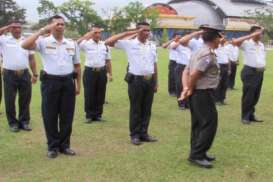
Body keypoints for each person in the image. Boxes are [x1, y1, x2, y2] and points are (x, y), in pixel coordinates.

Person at [22, 15, 81, 158]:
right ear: (51, 26)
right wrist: (42, 30)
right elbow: (24, 45)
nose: (60, 26)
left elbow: (77, 66)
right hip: (50, 83)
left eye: (62, 24)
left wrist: (79, 86)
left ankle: (65, 145)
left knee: (67, 115)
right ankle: (53, 146)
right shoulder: (43, 42)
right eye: (57, 24)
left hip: (68, 82)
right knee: (50, 115)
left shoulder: (72, 43)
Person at [105, 22, 158, 145]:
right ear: (138, 31)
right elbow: (108, 41)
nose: (147, 33)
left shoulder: (152, 45)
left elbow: (154, 64)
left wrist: (156, 82)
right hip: (136, 81)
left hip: (149, 80)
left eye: (148, 30)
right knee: (136, 109)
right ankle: (134, 135)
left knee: (147, 108)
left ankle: (144, 133)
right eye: (144, 30)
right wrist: (129, 33)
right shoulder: (129, 43)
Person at [179, 25, 224, 168]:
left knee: (198, 124)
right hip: (203, 93)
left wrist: (186, 88)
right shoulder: (207, 55)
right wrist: (189, 88)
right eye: (219, 37)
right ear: (214, 38)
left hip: (198, 93)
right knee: (209, 123)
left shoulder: (198, 51)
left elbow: (186, 72)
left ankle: (199, 151)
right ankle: (197, 155)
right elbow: (194, 74)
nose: (220, 40)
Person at [0, 21, 38, 132]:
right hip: (9, 74)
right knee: (10, 100)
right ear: (10, 29)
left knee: (25, 99)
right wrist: (7, 27)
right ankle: (13, 123)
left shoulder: (27, 40)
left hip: (24, 73)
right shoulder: (4, 39)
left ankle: (24, 122)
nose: (17, 30)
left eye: (19, 28)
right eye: (14, 28)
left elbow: (31, 58)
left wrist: (35, 74)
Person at [77, 25, 112, 123]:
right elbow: (77, 43)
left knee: (100, 94)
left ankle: (98, 115)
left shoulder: (105, 45)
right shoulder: (86, 44)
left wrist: (110, 73)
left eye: (99, 32)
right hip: (90, 72)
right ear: (90, 33)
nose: (97, 35)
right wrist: (87, 35)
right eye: (95, 32)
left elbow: (108, 60)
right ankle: (89, 115)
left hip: (102, 72)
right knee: (89, 94)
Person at [232, 25, 265, 124]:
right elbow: (235, 42)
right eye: (258, 32)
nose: (260, 34)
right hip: (250, 72)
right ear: (252, 33)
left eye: (261, 33)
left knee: (255, 96)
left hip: (260, 72)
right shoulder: (246, 43)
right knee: (248, 95)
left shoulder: (261, 45)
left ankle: (251, 115)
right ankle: (245, 117)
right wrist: (251, 36)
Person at [170, 30, 204, 110]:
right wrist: (180, 41)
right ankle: (181, 103)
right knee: (180, 86)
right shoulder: (179, 44)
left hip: (191, 67)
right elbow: (173, 47)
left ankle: (188, 103)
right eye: (187, 36)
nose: (189, 38)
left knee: (189, 85)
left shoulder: (193, 44)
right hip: (181, 67)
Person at [214, 35, 230, 105]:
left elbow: (228, 59)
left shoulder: (226, 48)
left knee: (224, 84)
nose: (224, 40)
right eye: (223, 39)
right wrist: (221, 38)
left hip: (226, 66)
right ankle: (216, 100)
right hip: (219, 66)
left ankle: (222, 99)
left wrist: (229, 69)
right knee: (218, 84)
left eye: (225, 39)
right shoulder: (216, 47)